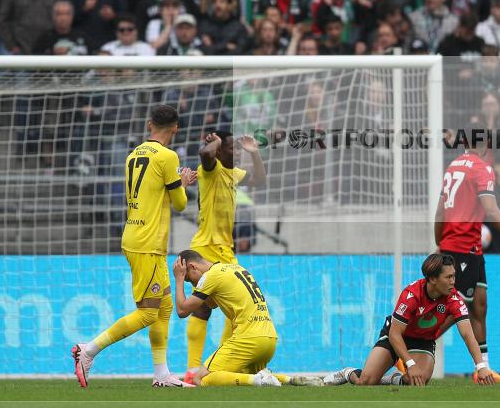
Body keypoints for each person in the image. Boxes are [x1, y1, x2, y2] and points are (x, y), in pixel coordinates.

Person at [72, 105, 197, 388]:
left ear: (149, 124)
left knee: (164, 306)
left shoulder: (134, 154)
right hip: (147, 243)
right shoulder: (168, 156)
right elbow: (179, 204)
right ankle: (87, 350)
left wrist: (173, 184)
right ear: (176, 128)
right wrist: (183, 182)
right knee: (149, 312)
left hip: (135, 234)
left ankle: (161, 373)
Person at [435, 130, 500, 382]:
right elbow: (490, 209)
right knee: (455, 310)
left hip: (469, 248)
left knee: (479, 306)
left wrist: (439, 243)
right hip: (462, 247)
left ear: (464, 143)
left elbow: (440, 210)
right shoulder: (482, 169)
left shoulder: (452, 166)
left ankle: (483, 370)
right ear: (488, 144)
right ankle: (410, 347)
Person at [323, 254, 495, 387]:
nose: (453, 282)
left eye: (454, 276)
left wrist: (481, 366)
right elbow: (395, 333)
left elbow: (467, 335)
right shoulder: (411, 295)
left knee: (418, 381)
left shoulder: (454, 299)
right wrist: (410, 363)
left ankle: (394, 379)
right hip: (397, 335)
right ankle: (348, 373)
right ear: (433, 279)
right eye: (448, 277)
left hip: (423, 340)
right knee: (366, 382)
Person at [183, 131, 267, 385]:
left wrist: (254, 153)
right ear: (221, 151)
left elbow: (260, 180)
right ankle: (194, 369)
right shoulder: (210, 169)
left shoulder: (233, 174)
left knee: (235, 309)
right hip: (205, 249)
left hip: (225, 252)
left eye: (238, 149)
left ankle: (220, 364)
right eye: (233, 148)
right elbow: (205, 154)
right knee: (202, 310)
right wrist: (216, 143)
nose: (237, 152)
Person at [173, 250, 321, 387]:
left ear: (192, 266)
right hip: (269, 339)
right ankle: (290, 380)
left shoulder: (211, 276)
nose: (192, 284)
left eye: (188, 279)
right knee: (242, 375)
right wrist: (196, 284)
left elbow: (182, 310)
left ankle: (258, 380)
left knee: (200, 378)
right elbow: (212, 305)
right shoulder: (235, 268)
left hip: (247, 339)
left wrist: (178, 279)